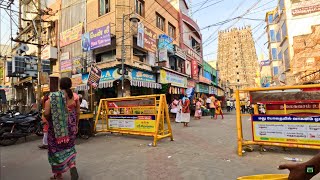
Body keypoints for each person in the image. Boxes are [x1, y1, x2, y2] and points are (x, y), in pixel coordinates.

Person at [44, 77, 80, 180]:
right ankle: (72, 165)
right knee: (69, 147)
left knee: (55, 150)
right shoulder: (75, 96)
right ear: (70, 85)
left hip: (57, 129)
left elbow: (46, 113)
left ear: (60, 85)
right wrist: (76, 125)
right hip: (71, 127)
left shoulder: (54, 97)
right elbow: (78, 112)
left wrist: (50, 118)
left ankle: (58, 175)